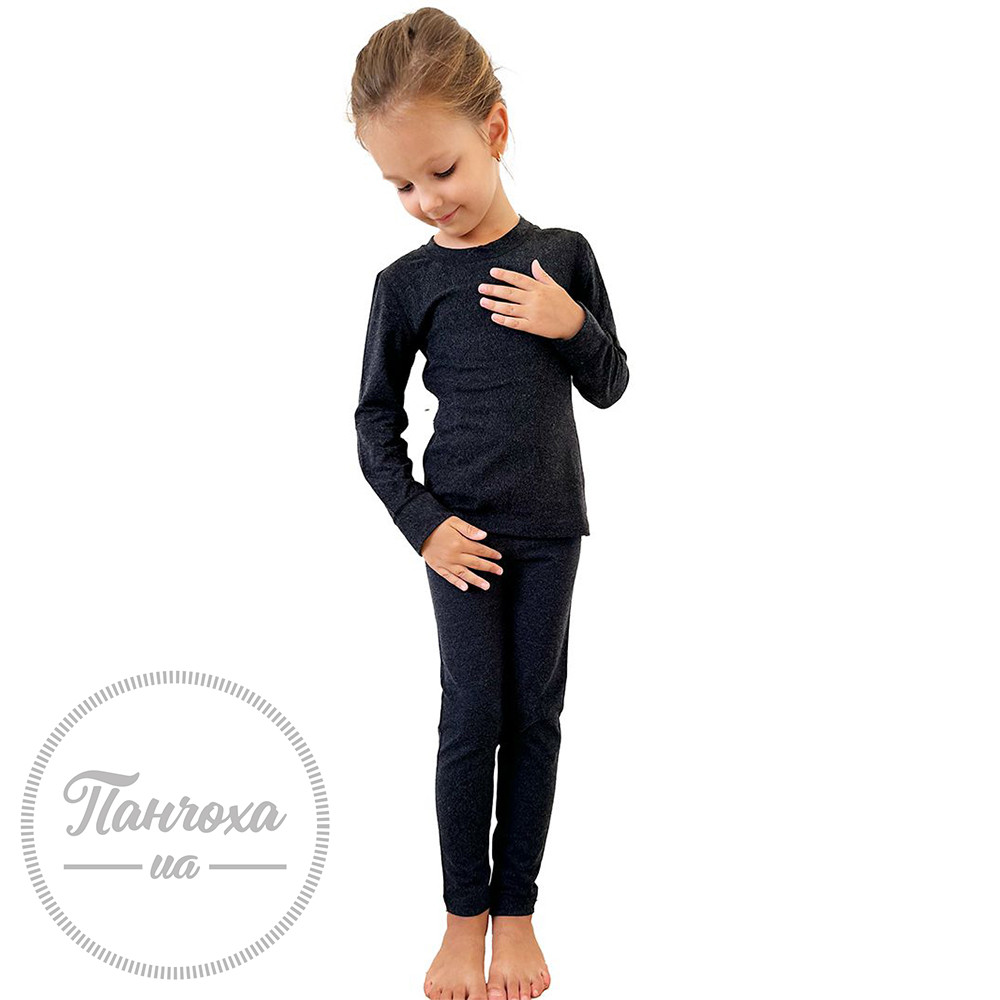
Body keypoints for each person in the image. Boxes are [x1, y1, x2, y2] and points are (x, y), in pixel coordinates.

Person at [349, 9, 629, 999]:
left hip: (549, 529)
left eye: (441, 170)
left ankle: (518, 914)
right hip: (460, 537)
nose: (426, 200)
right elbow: (372, 421)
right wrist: (423, 525)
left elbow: (610, 382)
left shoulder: (564, 253)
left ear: (495, 130)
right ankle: (461, 918)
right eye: (401, 185)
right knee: (472, 718)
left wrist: (570, 320)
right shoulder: (405, 284)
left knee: (534, 717)